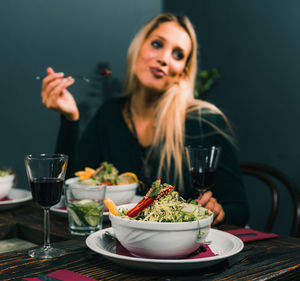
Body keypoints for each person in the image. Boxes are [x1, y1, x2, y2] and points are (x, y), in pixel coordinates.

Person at [41, 13, 249, 226]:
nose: (164, 59)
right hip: (117, 246)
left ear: (182, 73)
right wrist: (70, 118)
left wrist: (218, 211)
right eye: (157, 44)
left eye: (178, 55)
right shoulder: (109, 114)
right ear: (138, 48)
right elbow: (72, 192)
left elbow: (239, 210)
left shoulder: (205, 122)